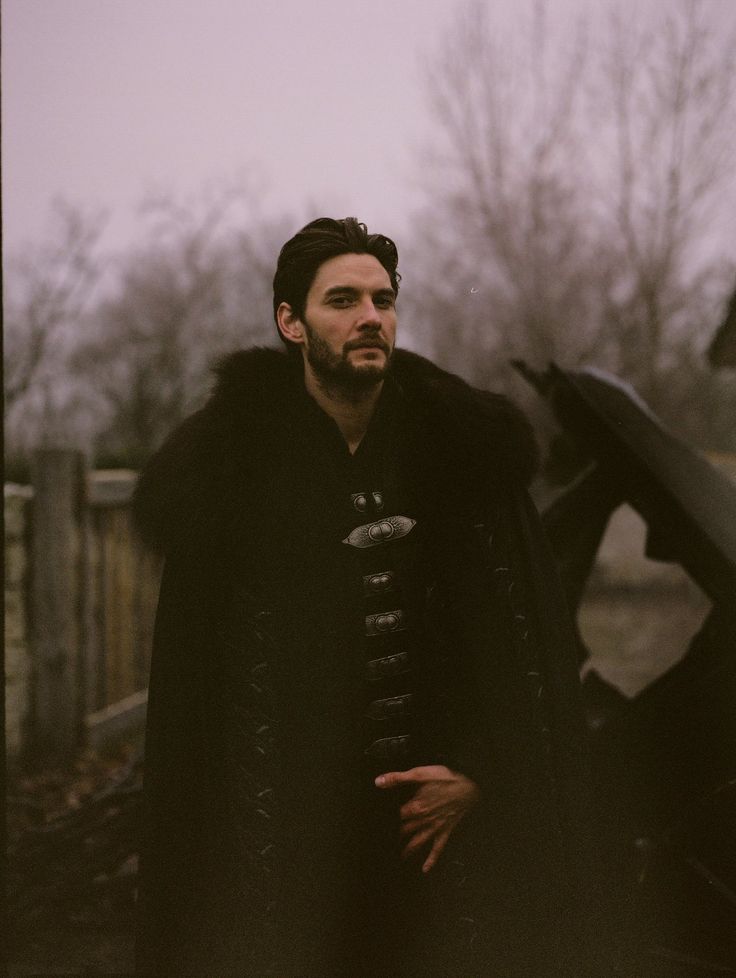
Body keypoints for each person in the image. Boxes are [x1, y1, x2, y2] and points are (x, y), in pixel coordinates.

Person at [134, 217, 601, 977]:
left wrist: (480, 770)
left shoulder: (463, 453)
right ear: (291, 322)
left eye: (382, 300)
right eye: (342, 300)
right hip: (289, 846)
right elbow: (198, 697)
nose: (369, 318)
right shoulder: (231, 475)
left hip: (442, 842)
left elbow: (526, 650)